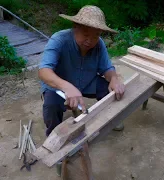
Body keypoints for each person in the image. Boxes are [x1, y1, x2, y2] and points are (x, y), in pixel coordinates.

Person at [38, 5, 126, 139]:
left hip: (87, 81)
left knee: (110, 90)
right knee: (51, 104)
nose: (90, 41)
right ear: (75, 27)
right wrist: (67, 87)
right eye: (85, 34)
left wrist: (114, 78)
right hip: (60, 86)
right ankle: (54, 138)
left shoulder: (99, 44)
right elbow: (44, 71)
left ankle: (111, 118)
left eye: (95, 36)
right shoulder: (59, 40)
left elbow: (107, 68)